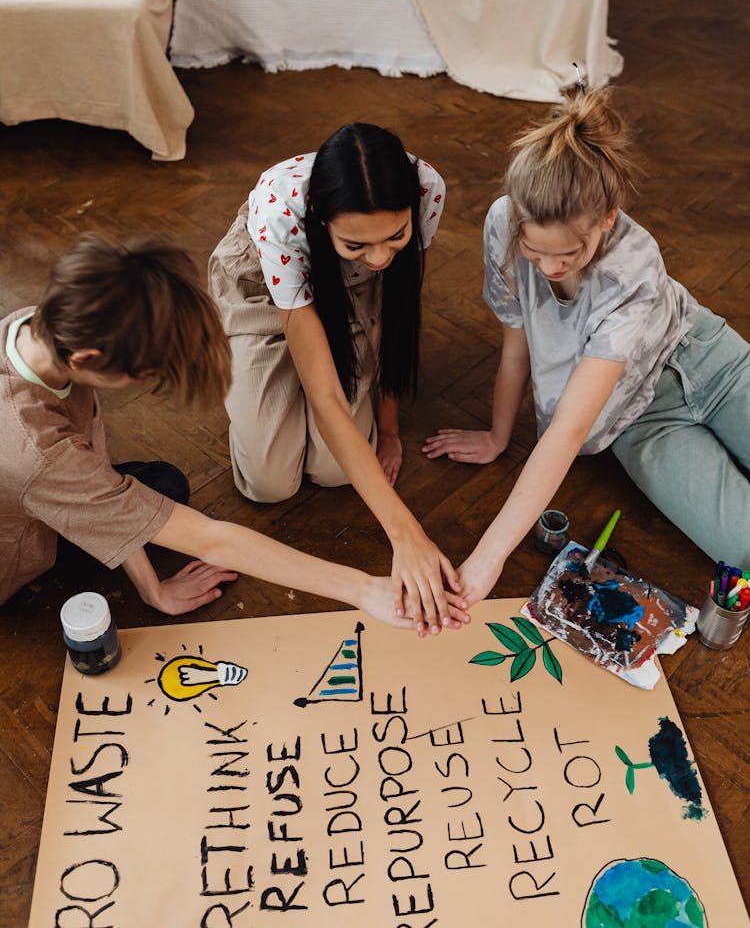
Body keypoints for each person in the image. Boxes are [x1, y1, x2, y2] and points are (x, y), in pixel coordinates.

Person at [1, 233, 468, 635]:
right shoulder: (38, 453)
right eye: (140, 376)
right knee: (159, 512)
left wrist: (149, 584)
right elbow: (212, 540)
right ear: (86, 359)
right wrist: (364, 589)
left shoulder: (38, 325)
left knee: (164, 486)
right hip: (15, 546)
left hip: (43, 482)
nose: (142, 386)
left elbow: (91, 464)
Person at [424, 87, 750, 599]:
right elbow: (518, 339)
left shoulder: (631, 270)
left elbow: (568, 429)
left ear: (608, 217)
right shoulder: (501, 223)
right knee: (746, 549)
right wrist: (497, 434)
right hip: (639, 416)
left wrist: (488, 556)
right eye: (535, 252)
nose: (550, 268)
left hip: (710, 361)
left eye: (569, 255)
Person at [209, 122, 467, 632]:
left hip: (348, 291)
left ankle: (290, 398)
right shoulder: (278, 215)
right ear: (323, 221)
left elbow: (396, 312)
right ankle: (249, 374)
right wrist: (406, 535)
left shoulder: (426, 191)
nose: (380, 258)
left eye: (396, 236)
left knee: (336, 471)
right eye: (357, 242)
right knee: (267, 482)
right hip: (264, 290)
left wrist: (389, 430)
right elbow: (325, 396)